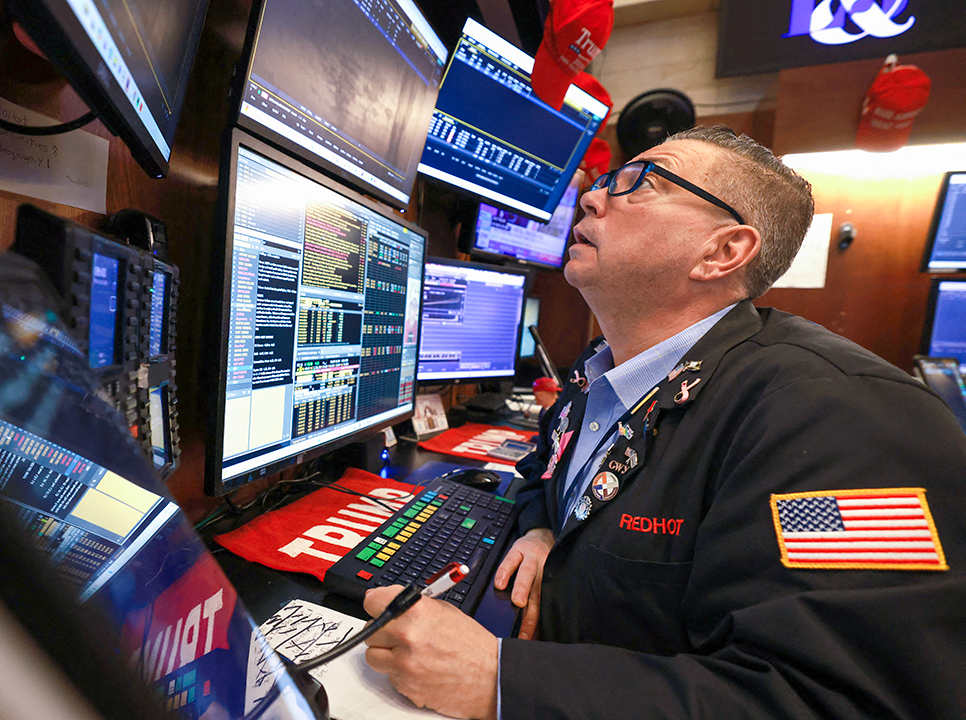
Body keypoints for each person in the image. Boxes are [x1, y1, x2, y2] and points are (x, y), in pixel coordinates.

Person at [360, 126, 966, 719]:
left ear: (723, 252)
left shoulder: (840, 418)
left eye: (641, 182)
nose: (592, 197)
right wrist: (546, 529)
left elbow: (836, 699)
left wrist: (499, 681)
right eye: (605, 180)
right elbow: (542, 472)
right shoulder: (604, 371)